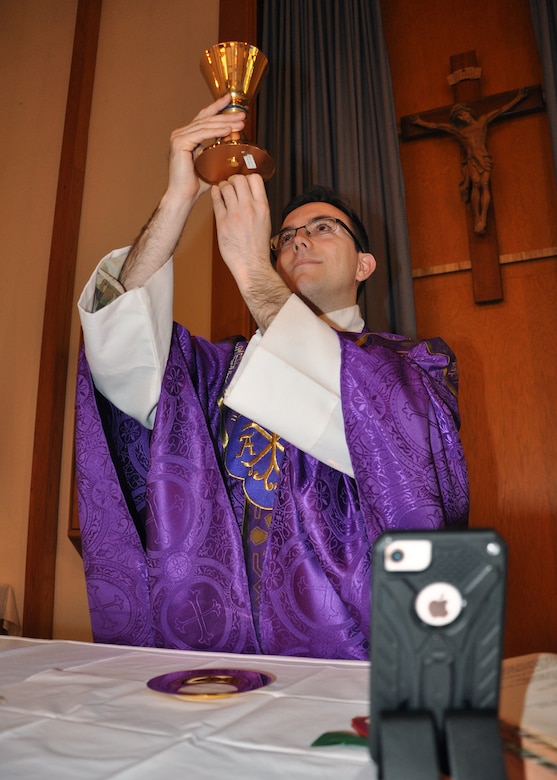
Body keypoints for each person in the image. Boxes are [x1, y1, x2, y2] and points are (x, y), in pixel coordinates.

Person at [76, 94, 469, 660]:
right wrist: (176, 200)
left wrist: (255, 272)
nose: (298, 240)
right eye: (283, 237)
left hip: (355, 663)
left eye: (323, 228)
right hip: (219, 658)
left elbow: (397, 467)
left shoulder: (416, 366)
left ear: (365, 265)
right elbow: (120, 350)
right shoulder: (218, 374)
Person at [411, 87, 528, 234]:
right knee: (476, 184)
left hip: (483, 157)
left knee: (484, 184)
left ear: (468, 112)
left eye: (462, 114)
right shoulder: (460, 131)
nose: (462, 118)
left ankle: (483, 219)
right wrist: (419, 122)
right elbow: (438, 126)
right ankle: (477, 218)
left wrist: (519, 98)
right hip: (472, 159)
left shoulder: (482, 122)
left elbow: (501, 109)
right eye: (458, 117)